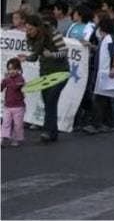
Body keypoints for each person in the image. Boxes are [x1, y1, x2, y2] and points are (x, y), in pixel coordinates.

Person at [19, 15, 69, 143]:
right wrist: (26, 57)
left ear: (37, 27)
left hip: (60, 72)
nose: (28, 32)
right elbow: (36, 56)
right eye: (27, 29)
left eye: (30, 29)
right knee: (48, 102)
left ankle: (47, 131)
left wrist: (52, 54)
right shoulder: (34, 38)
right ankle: (53, 132)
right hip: (45, 73)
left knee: (51, 100)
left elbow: (64, 51)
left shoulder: (53, 33)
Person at [88, 15, 114, 133]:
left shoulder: (109, 39)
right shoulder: (106, 39)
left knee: (99, 99)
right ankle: (108, 123)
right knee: (104, 100)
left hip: (104, 73)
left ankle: (96, 124)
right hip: (102, 73)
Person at [1, 58, 26, 147]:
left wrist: (7, 80)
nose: (11, 71)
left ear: (19, 69)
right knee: (5, 122)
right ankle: (2, 138)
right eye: (9, 69)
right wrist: (4, 81)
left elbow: (16, 86)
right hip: (8, 106)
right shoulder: (7, 79)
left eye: (14, 69)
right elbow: (1, 88)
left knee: (17, 124)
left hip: (19, 107)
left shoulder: (20, 78)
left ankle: (15, 139)